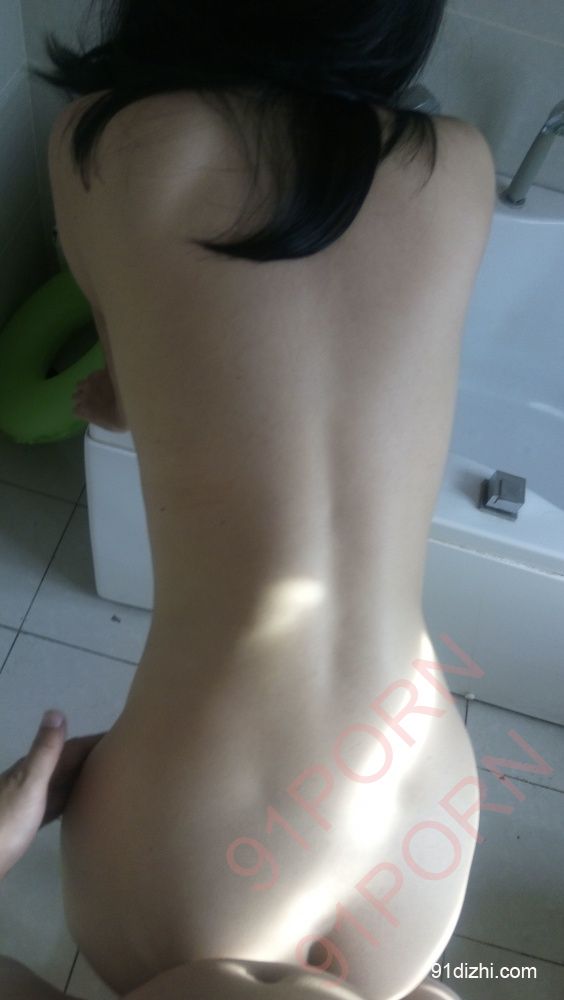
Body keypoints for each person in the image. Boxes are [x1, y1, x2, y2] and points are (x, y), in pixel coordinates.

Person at [0, 1, 496, 996]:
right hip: (417, 802)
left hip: (199, 843)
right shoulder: (460, 161)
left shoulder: (101, 142)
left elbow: (138, 373)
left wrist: (123, 397)